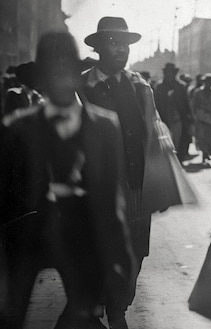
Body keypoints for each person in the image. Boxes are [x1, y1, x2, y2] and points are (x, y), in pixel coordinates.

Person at [0, 32, 133, 329]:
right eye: (52, 73)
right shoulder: (17, 129)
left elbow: (113, 203)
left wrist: (121, 260)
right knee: (12, 316)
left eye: (67, 72)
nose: (60, 82)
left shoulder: (105, 127)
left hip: (82, 236)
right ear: (42, 79)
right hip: (27, 238)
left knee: (82, 314)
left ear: (77, 74)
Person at [81, 16, 156, 328]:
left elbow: (153, 137)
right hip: (92, 187)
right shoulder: (80, 86)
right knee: (94, 248)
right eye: (113, 42)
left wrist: (156, 184)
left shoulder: (141, 88)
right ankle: (96, 303)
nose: (121, 49)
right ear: (98, 47)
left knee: (134, 252)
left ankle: (119, 308)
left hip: (134, 185)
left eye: (125, 44)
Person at [154, 63, 193, 161]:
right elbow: (156, 104)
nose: (169, 75)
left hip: (178, 119)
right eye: (167, 73)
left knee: (178, 143)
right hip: (163, 120)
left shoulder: (181, 87)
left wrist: (189, 118)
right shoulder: (159, 87)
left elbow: (186, 104)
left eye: (171, 73)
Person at [191, 73, 211, 165]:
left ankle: (207, 153)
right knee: (201, 138)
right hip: (200, 119)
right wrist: (195, 116)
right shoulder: (198, 92)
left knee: (210, 138)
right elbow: (193, 105)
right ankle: (204, 154)